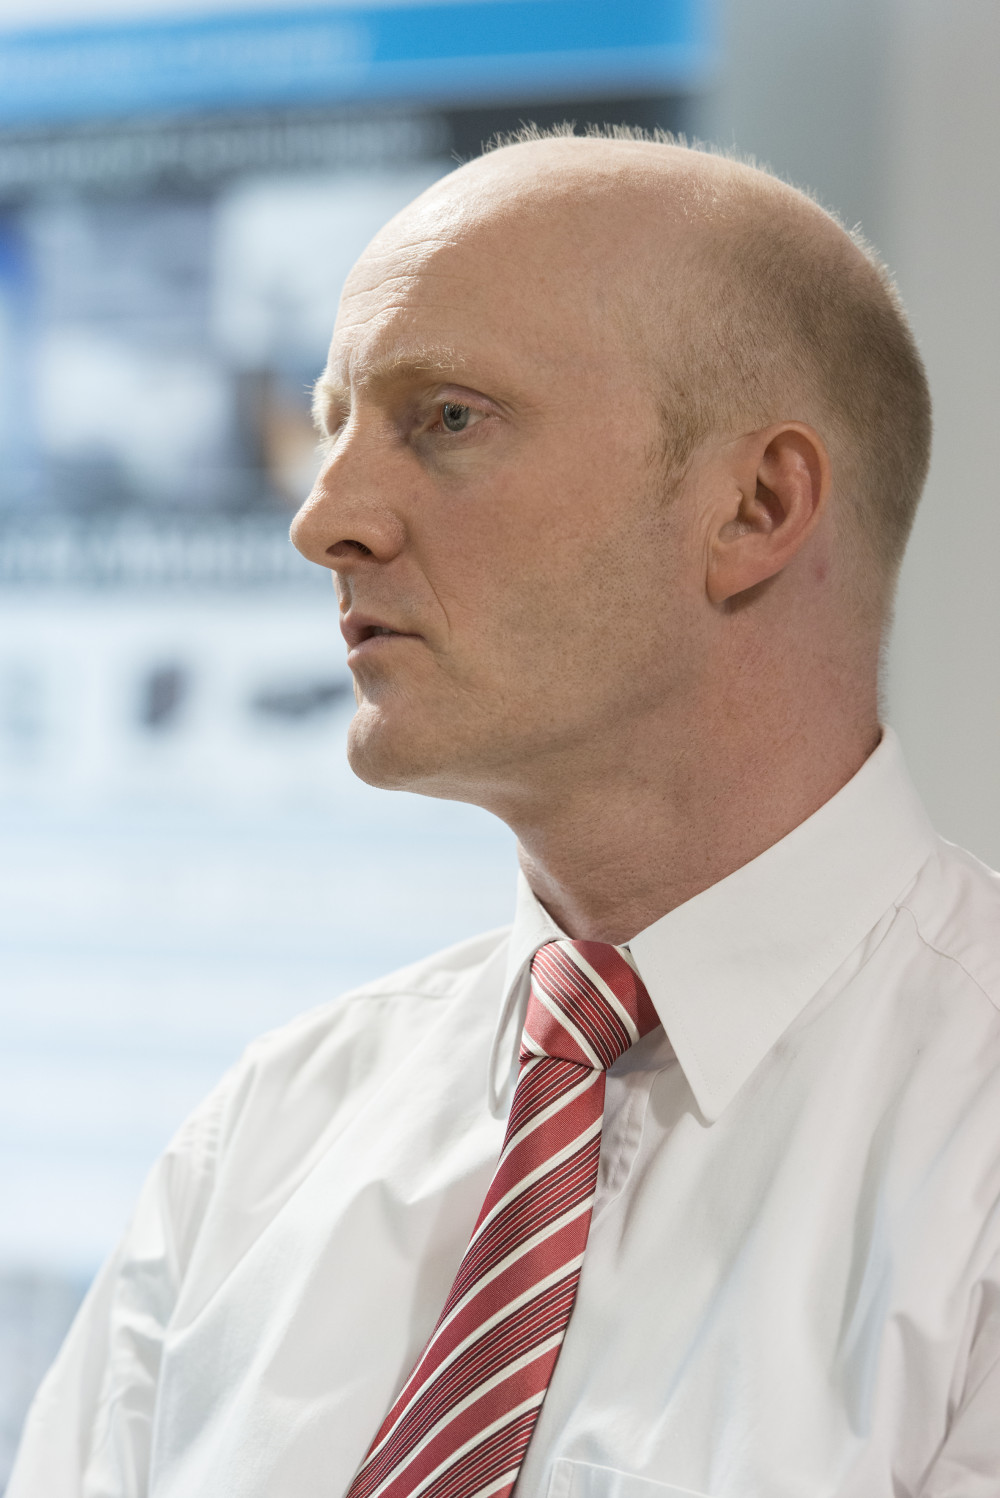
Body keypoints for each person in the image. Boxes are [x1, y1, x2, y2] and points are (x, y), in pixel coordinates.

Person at [10, 128, 1000, 1498]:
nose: (324, 518)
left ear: (755, 506)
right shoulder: (267, 1137)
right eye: (335, 423)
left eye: (447, 419)